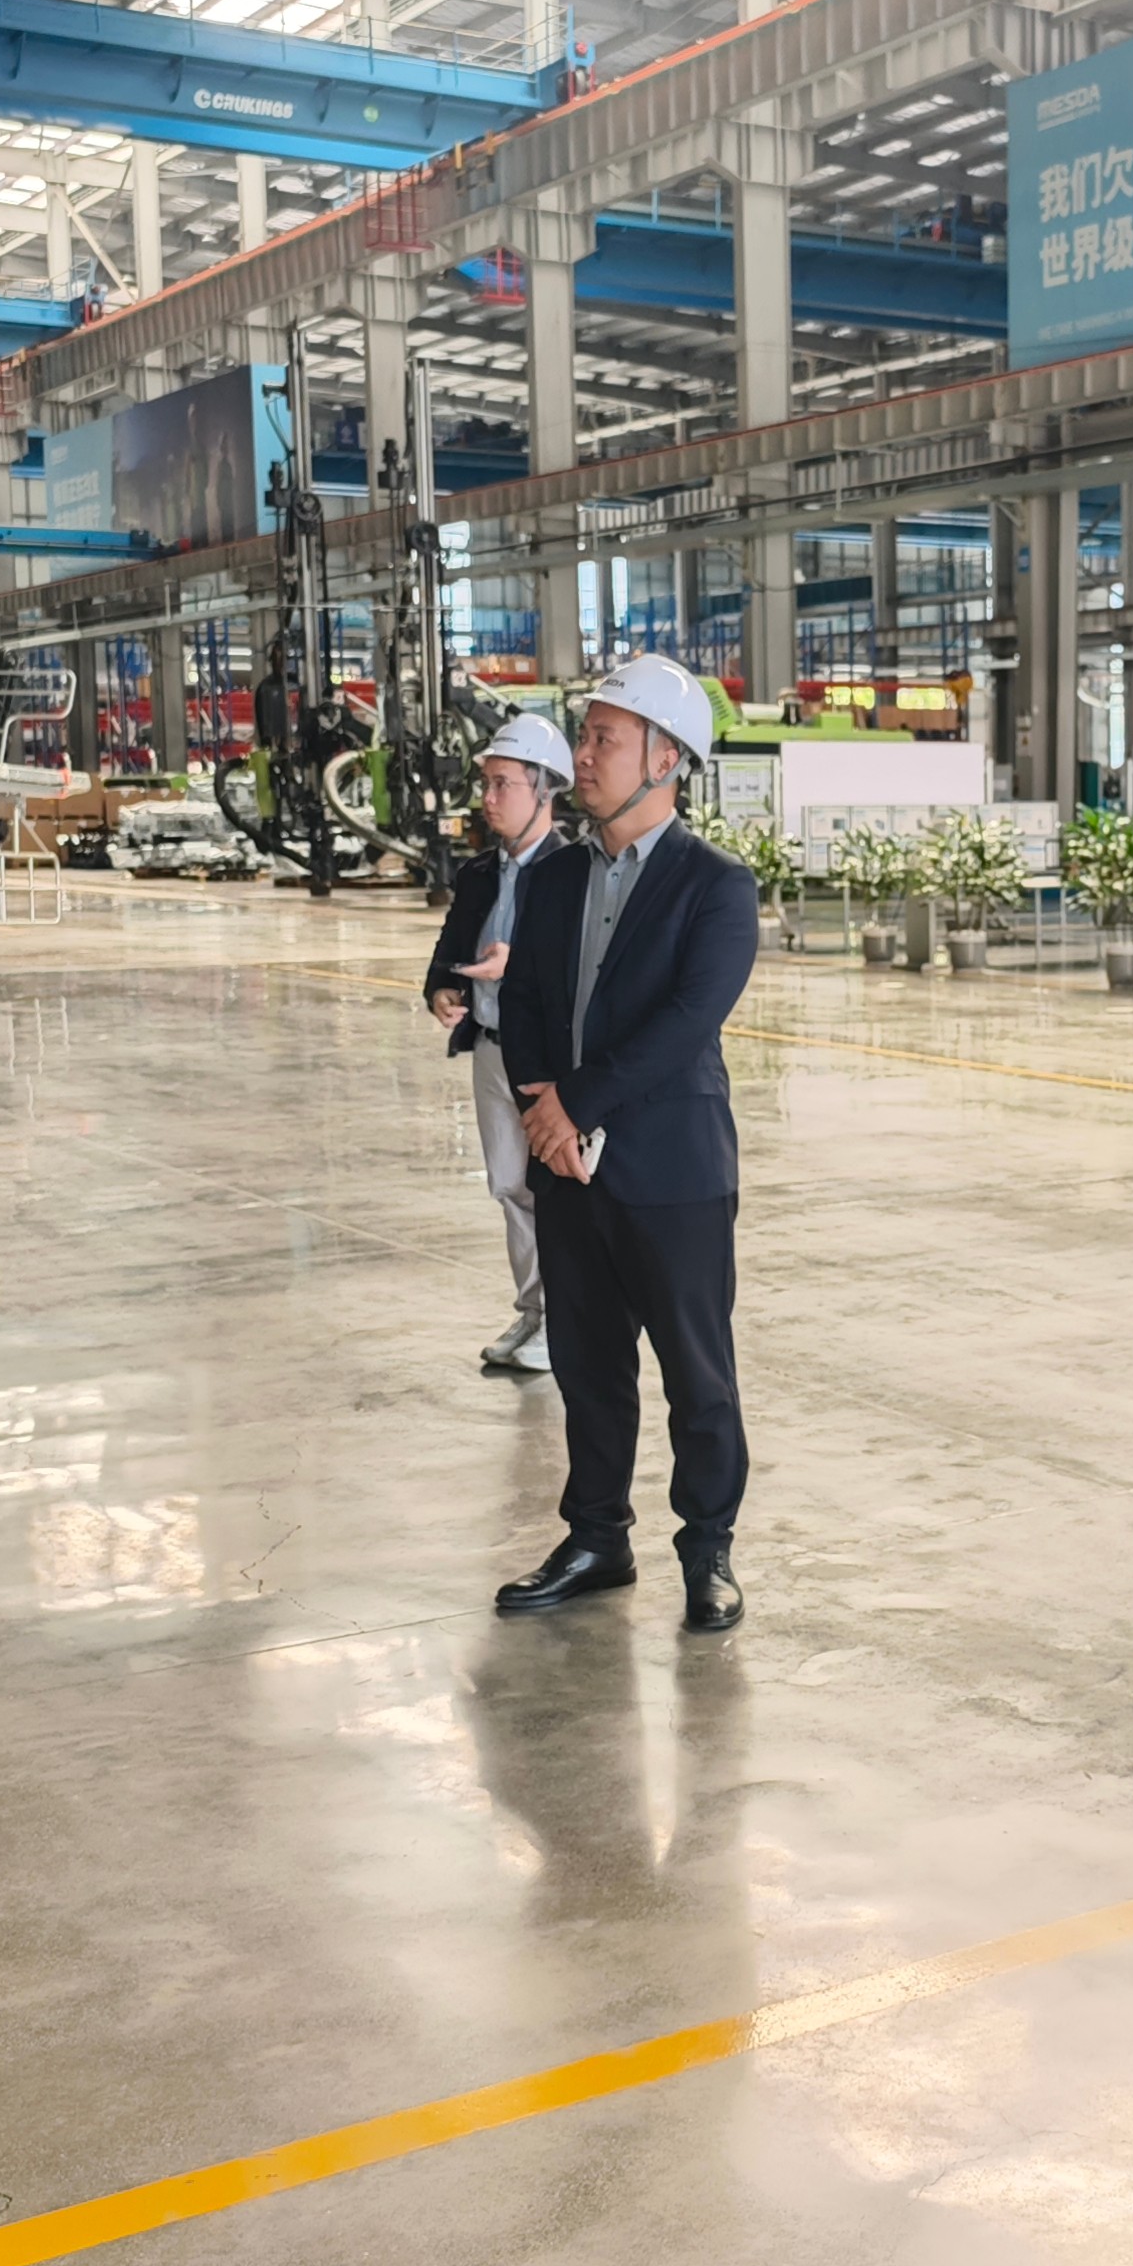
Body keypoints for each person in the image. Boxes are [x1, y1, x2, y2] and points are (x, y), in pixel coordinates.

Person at [490, 654, 761, 1633]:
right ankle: (597, 1537)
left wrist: (572, 1106)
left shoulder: (716, 886)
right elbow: (523, 1000)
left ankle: (708, 1550)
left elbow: (686, 1021)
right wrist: (543, 1109)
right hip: (568, 1172)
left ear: (665, 758)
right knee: (588, 1369)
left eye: (604, 738)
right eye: (587, 734)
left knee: (698, 1375)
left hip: (672, 1173)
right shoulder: (557, 877)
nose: (584, 754)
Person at [423, 713, 576, 1376]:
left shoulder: (574, 871)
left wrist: (521, 964)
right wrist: (441, 989)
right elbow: (450, 946)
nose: (487, 798)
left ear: (544, 790)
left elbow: (583, 968)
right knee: (510, 1186)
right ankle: (534, 1312)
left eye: (502, 784)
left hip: (543, 1058)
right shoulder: (481, 872)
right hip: (491, 1048)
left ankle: (566, 1322)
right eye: (485, 783)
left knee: (555, 1192)